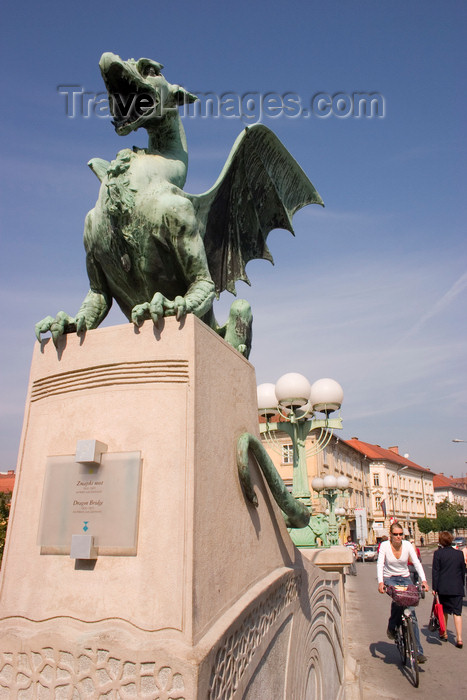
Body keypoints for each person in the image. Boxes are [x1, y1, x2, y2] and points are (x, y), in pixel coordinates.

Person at [377, 521, 429, 663]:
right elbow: (380, 563)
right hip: (390, 578)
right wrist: (381, 582)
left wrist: (423, 581)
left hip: (405, 577)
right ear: (390, 535)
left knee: (412, 613)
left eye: (401, 534)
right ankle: (392, 626)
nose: (399, 537)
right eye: (396, 535)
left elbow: (416, 563)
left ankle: (418, 652)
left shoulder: (406, 545)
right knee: (398, 600)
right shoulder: (385, 546)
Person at [432, 531, 466, 648]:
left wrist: (435, 588)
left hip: (443, 588)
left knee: (445, 611)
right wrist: (461, 584)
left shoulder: (438, 554)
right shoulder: (459, 554)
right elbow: (462, 571)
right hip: (457, 587)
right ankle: (459, 638)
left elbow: (435, 572)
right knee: (457, 613)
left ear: (441, 541)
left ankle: (444, 633)